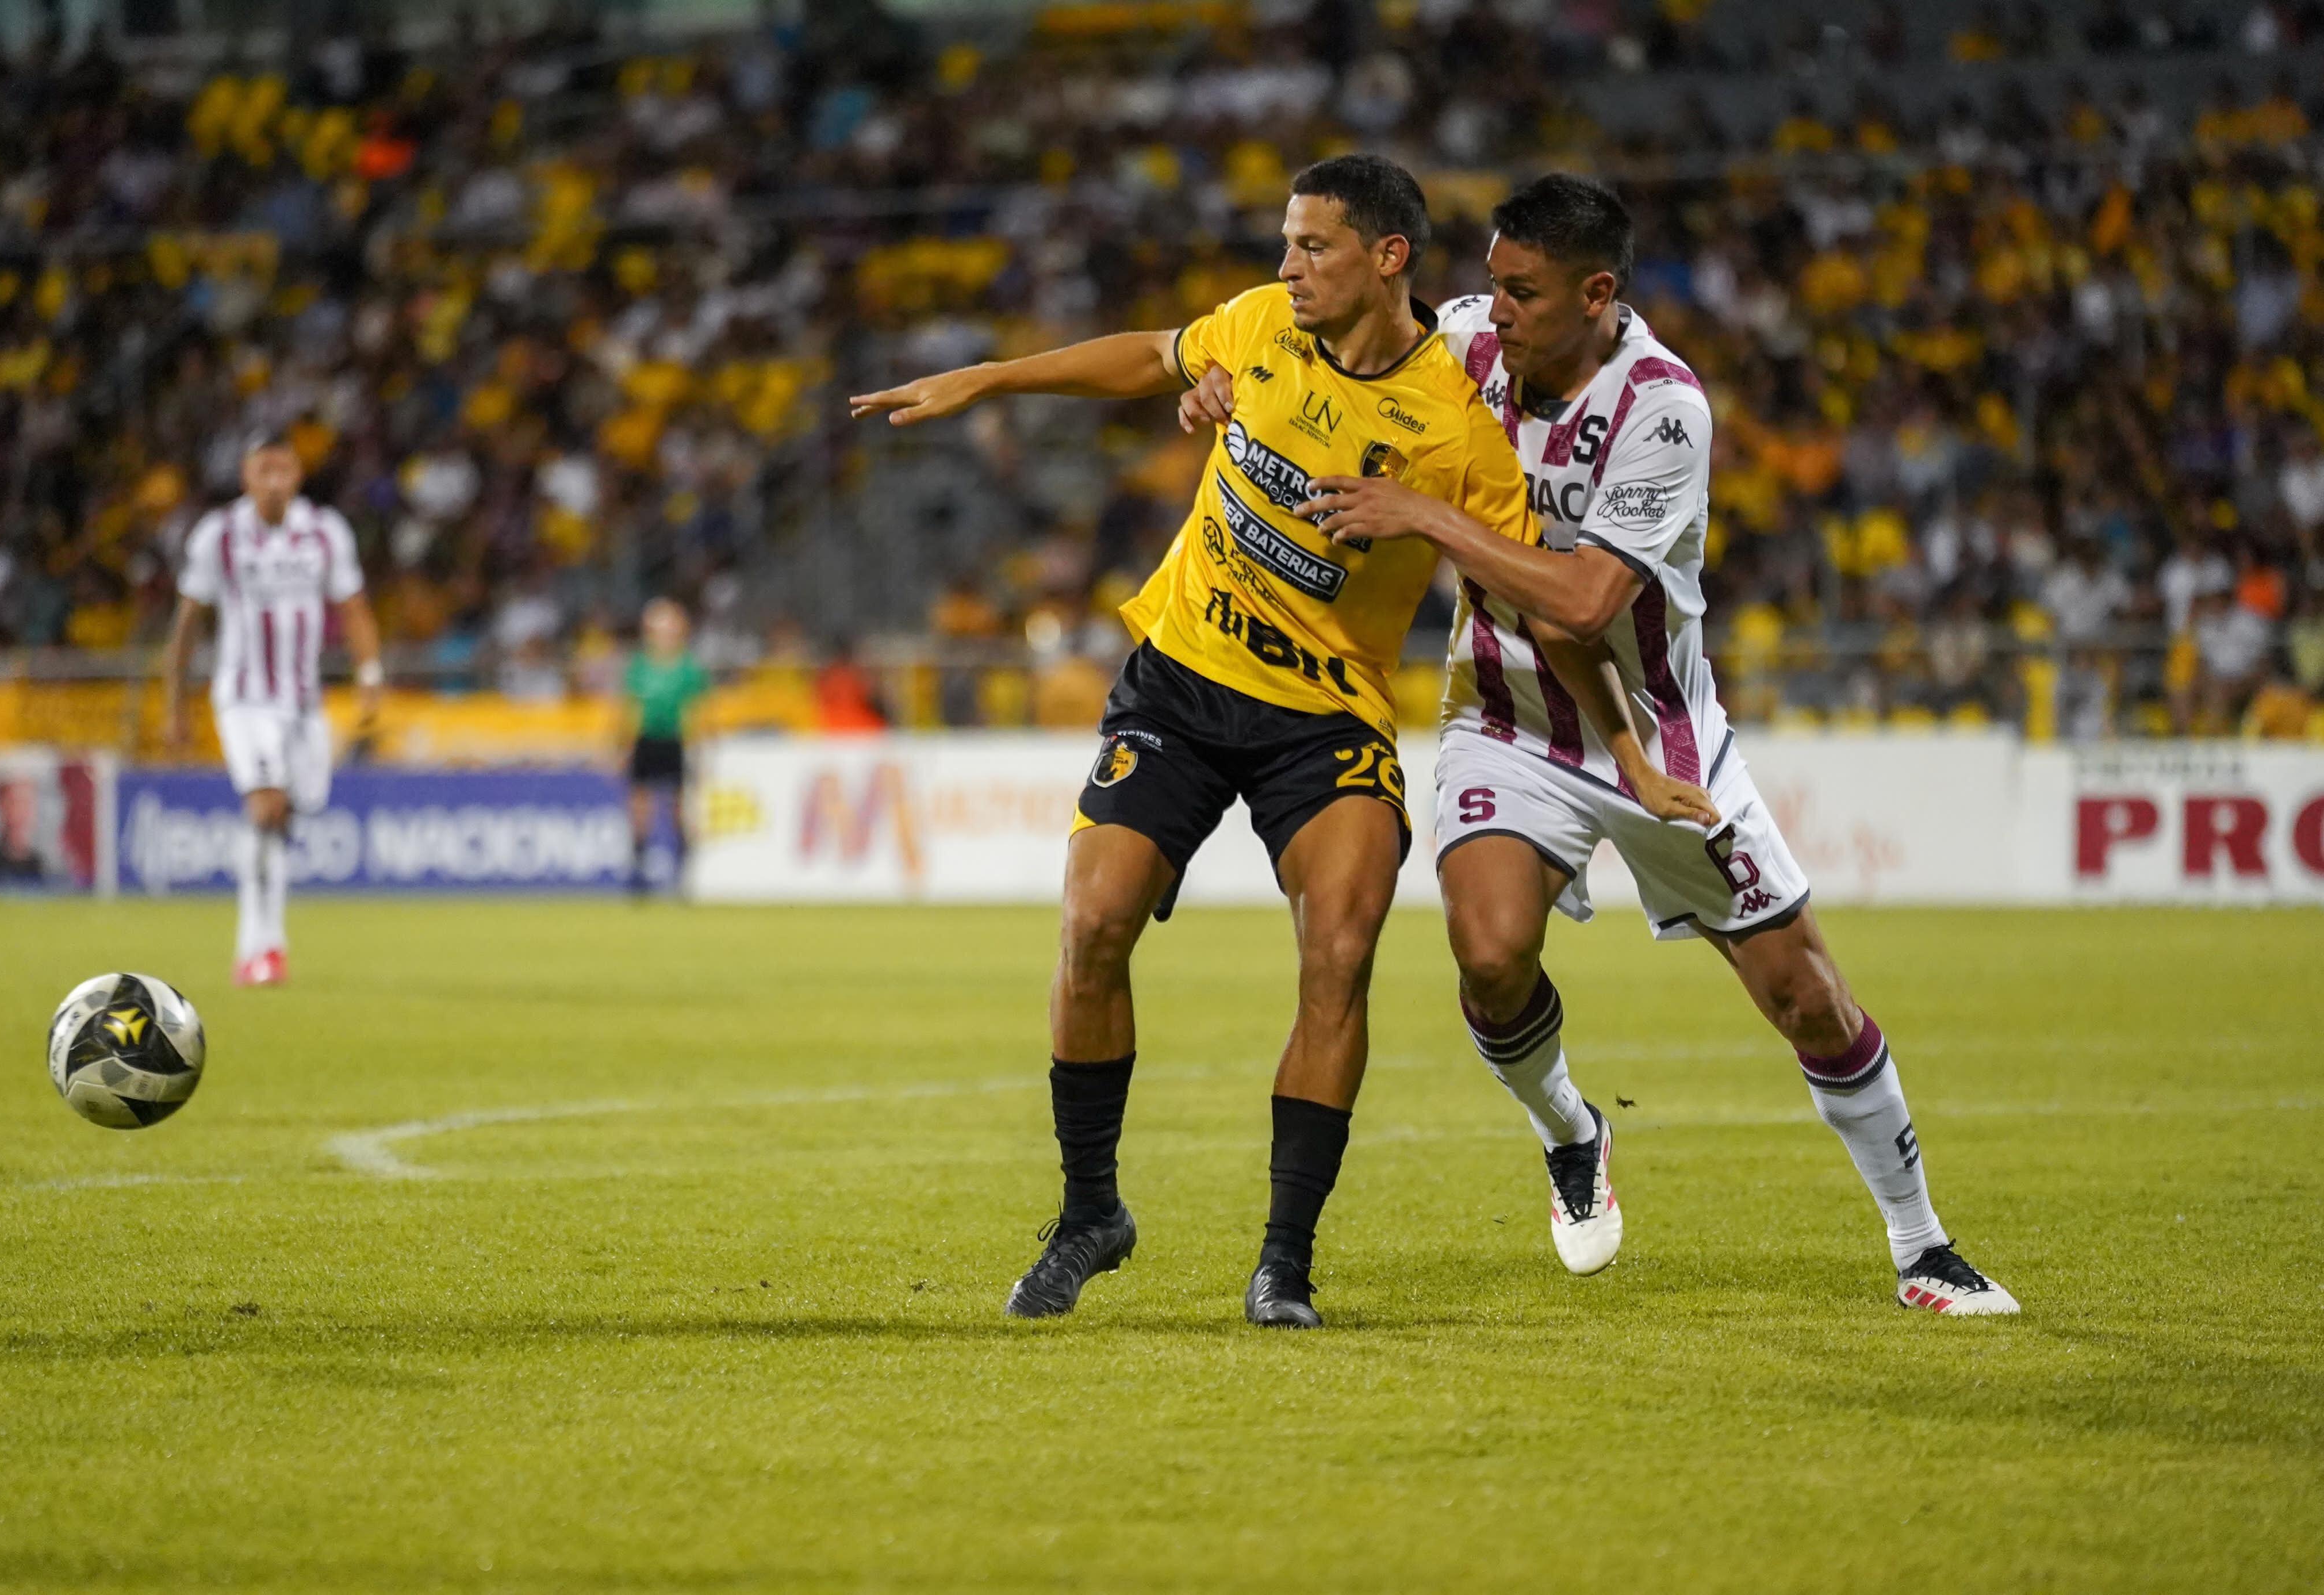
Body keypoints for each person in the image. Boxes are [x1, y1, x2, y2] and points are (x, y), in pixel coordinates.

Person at [853, 155, 1707, 1329]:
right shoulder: (1258, 329)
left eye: (1311, 247)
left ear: (1387, 257)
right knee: (1093, 923)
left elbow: (1548, 614)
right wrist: (994, 379)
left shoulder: (1457, 432)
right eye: (1287, 244)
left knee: (1340, 951)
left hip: (1327, 721)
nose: (1285, 267)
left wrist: (1632, 753)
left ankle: (1284, 1264)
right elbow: (1155, 353)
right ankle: (1090, 1212)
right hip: (1182, 681)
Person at [1187, 174, 2017, 1315]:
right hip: (1502, 712)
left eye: (1521, 291)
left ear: (1597, 293)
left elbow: (1584, 604)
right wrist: (1219, 384)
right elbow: (1324, 349)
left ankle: (1921, 1244)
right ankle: (1570, 1133)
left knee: (1807, 996)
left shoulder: (1662, 408)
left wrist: (1429, 517)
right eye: (1489, 281)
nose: (1494, 308)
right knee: (1488, 954)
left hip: (1661, 735)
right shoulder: (1466, 344)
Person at [162, 434, 381, 986]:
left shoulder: (326, 533)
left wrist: (371, 677)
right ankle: (259, 948)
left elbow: (354, 608)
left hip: (305, 703)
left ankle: (264, 946)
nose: (275, 481)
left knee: (291, 812)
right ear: (246, 477)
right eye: (265, 470)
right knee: (267, 806)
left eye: (284, 470)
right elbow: (189, 621)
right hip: (243, 698)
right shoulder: (221, 536)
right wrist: (173, 700)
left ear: (299, 475)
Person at [622, 597, 708, 896]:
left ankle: (683, 875)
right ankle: (639, 873)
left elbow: (697, 713)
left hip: (675, 741)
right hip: (646, 740)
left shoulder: (688, 668)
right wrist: (622, 746)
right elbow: (630, 709)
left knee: (678, 809)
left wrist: (700, 750)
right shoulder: (640, 665)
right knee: (640, 807)